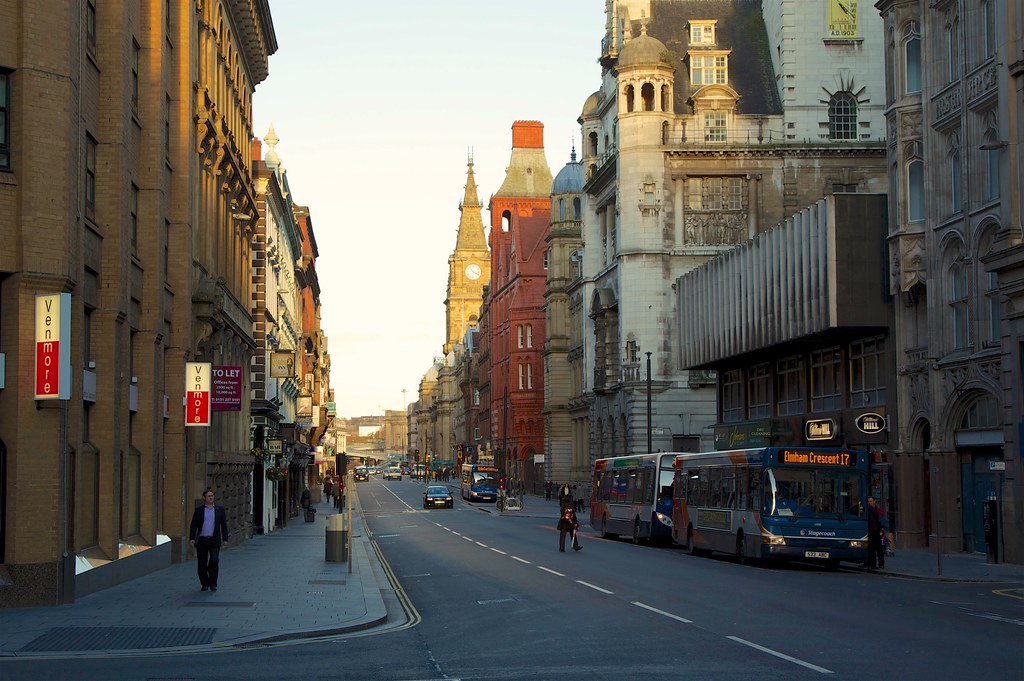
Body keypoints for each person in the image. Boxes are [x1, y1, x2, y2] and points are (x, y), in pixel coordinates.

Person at [189, 488, 229, 592]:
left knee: (214, 561)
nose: (211, 498)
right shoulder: (199, 510)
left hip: (214, 540)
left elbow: (223, 525)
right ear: (204, 498)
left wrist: (225, 538)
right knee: (202, 563)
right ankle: (205, 583)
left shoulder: (219, 510)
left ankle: (213, 583)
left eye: (212, 496)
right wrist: (192, 538)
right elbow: (194, 525)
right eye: (208, 496)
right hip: (202, 540)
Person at [863, 496, 887, 569]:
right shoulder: (869, 509)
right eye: (868, 501)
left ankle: (879, 563)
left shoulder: (875, 509)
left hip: (875, 531)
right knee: (873, 548)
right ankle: (872, 563)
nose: (869, 502)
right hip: (872, 530)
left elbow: (881, 517)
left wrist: (881, 528)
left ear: (874, 501)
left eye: (870, 501)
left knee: (877, 548)